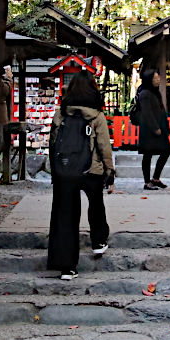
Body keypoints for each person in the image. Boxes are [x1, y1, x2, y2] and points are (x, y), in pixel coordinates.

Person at [45, 71, 116, 278]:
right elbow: (104, 146)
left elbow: (53, 144)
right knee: (96, 204)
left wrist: (56, 170)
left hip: (65, 171)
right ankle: (99, 241)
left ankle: (67, 266)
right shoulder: (96, 115)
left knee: (66, 215)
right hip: (90, 169)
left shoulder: (61, 113)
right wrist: (109, 171)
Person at [132, 66, 170, 190]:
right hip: (149, 129)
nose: (158, 79)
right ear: (149, 79)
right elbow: (147, 113)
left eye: (158, 77)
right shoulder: (144, 93)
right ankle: (146, 181)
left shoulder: (154, 91)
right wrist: (155, 128)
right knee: (148, 155)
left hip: (159, 126)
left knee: (166, 150)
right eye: (155, 77)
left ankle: (155, 178)